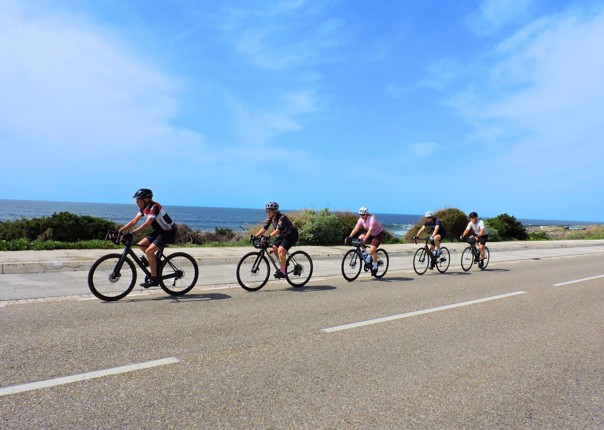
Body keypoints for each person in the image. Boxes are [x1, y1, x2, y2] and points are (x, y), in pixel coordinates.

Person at [119, 188, 176, 287]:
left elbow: (147, 224)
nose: (136, 201)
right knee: (141, 244)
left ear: (146, 199)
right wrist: (120, 231)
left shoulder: (154, 207)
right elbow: (134, 222)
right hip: (159, 231)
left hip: (168, 232)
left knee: (149, 251)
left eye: (138, 199)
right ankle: (155, 263)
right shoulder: (143, 208)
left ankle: (154, 279)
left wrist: (132, 233)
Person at [254, 201, 299, 279]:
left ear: (274, 211)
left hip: (292, 235)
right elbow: (264, 228)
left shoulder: (282, 218)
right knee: (273, 249)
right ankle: (284, 264)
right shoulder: (270, 218)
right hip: (283, 235)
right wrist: (255, 236)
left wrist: (268, 236)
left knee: (281, 250)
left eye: (269, 211)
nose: (267, 213)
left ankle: (283, 271)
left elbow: (278, 230)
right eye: (266, 211)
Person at [346, 207, 386, 277]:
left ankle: (375, 267)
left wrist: (365, 239)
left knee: (372, 250)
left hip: (378, 234)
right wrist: (350, 237)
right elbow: (356, 228)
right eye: (360, 215)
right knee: (360, 238)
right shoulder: (360, 219)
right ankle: (365, 255)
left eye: (363, 214)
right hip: (370, 233)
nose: (361, 216)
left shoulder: (371, 219)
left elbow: (370, 230)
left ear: (366, 214)